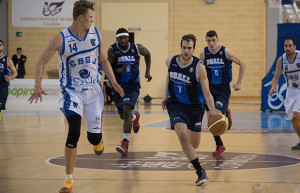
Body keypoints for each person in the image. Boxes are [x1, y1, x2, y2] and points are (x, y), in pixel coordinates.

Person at [28, 1, 124, 193]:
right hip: (71, 92)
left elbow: (103, 60)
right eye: (90, 17)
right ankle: (68, 180)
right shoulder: (61, 38)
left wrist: (113, 82)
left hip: (93, 92)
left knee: (93, 137)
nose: (92, 20)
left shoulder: (95, 35)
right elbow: (41, 60)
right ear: (81, 18)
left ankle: (98, 140)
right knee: (74, 130)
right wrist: (37, 84)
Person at [161, 34, 216, 185]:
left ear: (193, 49)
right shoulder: (170, 61)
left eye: (189, 48)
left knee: (194, 145)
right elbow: (169, 76)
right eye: (184, 47)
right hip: (176, 104)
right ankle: (200, 171)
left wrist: (213, 112)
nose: (186, 51)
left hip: (194, 107)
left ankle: (192, 156)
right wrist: (165, 95)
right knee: (182, 134)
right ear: (180, 47)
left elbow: (207, 94)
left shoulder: (199, 68)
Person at [199, 30, 246, 155]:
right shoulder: (203, 54)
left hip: (222, 89)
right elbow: (199, 72)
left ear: (217, 40)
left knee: (216, 116)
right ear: (206, 41)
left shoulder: (225, 51)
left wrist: (239, 82)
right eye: (209, 41)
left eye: (213, 40)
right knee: (210, 121)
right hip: (209, 89)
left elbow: (242, 63)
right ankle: (219, 145)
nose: (211, 43)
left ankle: (225, 114)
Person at [107, 28, 152, 156]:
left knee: (127, 109)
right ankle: (134, 117)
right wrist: (119, 71)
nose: (123, 40)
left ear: (128, 38)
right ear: (117, 39)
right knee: (123, 116)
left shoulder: (136, 48)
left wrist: (147, 72)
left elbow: (148, 54)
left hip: (133, 86)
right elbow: (108, 67)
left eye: (125, 38)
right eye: (120, 38)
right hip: (118, 86)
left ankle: (125, 143)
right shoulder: (112, 50)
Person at [269, 38, 300, 150]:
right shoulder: (281, 60)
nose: (288, 48)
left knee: (297, 115)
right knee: (292, 118)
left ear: (295, 47)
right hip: (291, 90)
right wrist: (273, 87)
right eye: (286, 46)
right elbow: (276, 76)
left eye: (290, 45)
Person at [0, 40, 18, 120]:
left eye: (0, 45)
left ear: (3, 47)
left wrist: (10, 78)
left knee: (0, 106)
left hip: (3, 86)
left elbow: (15, 72)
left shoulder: (7, 59)